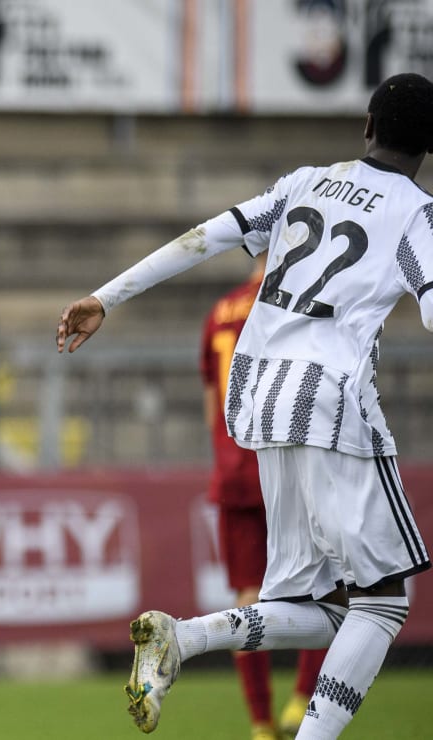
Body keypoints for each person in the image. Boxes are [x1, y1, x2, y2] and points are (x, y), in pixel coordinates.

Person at [57, 72, 433, 739]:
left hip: (260, 404)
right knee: (385, 603)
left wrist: (104, 297)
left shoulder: (304, 182)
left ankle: (185, 638)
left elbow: (206, 236)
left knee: (316, 605)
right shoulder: (415, 212)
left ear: (367, 124)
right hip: (330, 400)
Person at [201, 252, 328, 740]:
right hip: (289, 469)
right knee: (322, 589)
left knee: (247, 597)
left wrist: (226, 455)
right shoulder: (295, 305)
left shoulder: (219, 311)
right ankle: (302, 702)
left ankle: (259, 723)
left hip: (234, 471)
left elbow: (212, 402)